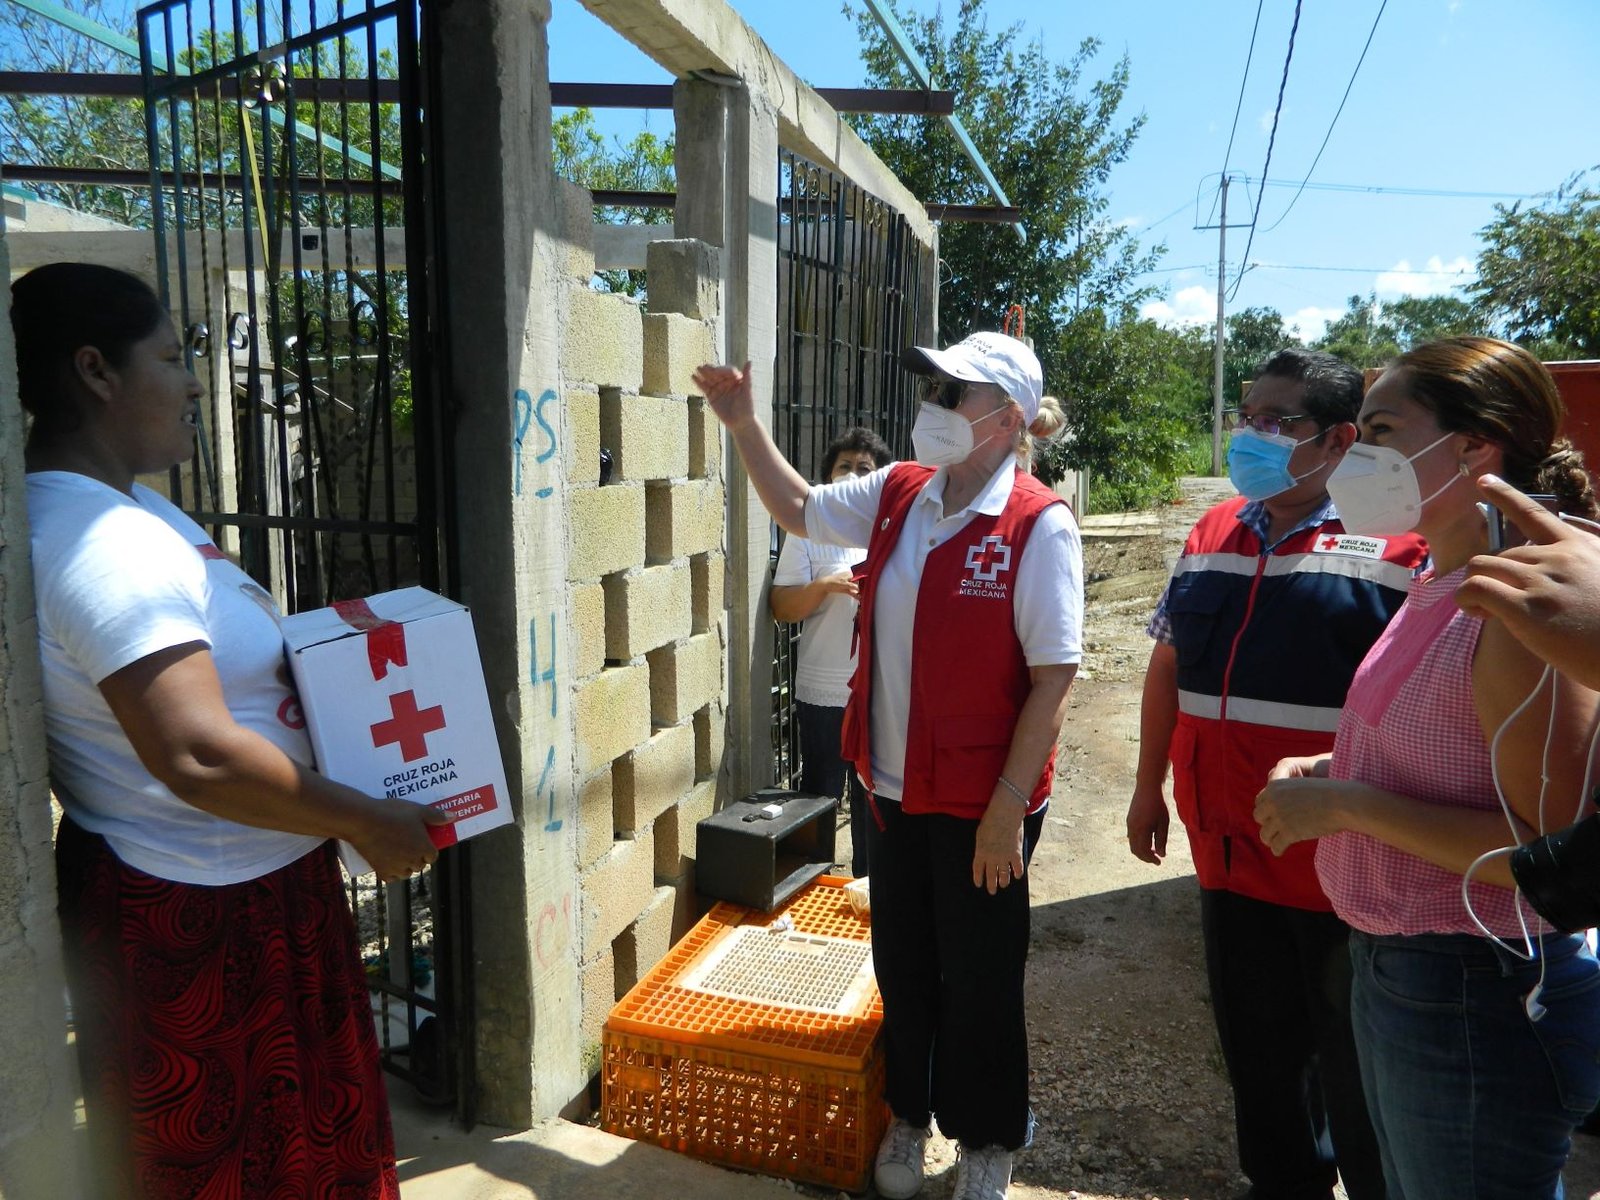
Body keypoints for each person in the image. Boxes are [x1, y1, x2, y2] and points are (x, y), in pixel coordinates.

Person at [14, 262, 450, 1199]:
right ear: (95, 371)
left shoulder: (138, 510)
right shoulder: (99, 545)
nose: (194, 382)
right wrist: (367, 821)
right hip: (203, 918)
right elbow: (199, 752)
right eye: (173, 357)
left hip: (258, 889)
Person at [694, 332, 1080, 1200]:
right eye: (935, 388)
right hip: (892, 789)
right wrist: (745, 423)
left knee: (980, 975)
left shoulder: (1036, 524)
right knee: (904, 960)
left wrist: (1006, 809)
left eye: (955, 393)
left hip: (985, 799)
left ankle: (987, 1139)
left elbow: (1055, 678)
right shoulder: (903, 491)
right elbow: (800, 510)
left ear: (1007, 418)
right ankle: (911, 1115)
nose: (935, 406)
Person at [1254, 337, 1600, 1199]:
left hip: (1475, 991)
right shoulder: (1444, 579)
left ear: (1475, 448)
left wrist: (1346, 805)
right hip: (1410, 972)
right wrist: (1339, 763)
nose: (1355, 452)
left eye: (1379, 428)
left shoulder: (1522, 604)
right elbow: (1450, 748)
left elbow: (1541, 850)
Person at [1126, 348, 1423, 1200]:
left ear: (1336, 439)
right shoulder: (1211, 532)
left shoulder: (1402, 545)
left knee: (1356, 1071)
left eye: (1274, 421)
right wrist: (1150, 788)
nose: (1249, 435)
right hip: (1229, 851)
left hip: (1343, 871)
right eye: (1245, 416)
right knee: (1258, 1060)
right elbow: (1167, 667)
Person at [769, 425, 892, 877]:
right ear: (826, 475)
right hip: (824, 691)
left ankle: (868, 890)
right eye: (845, 467)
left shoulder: (891, 526)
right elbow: (782, 607)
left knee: (872, 799)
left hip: (879, 693)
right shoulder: (808, 530)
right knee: (819, 792)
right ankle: (808, 882)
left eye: (865, 469)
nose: (854, 475)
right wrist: (825, 586)